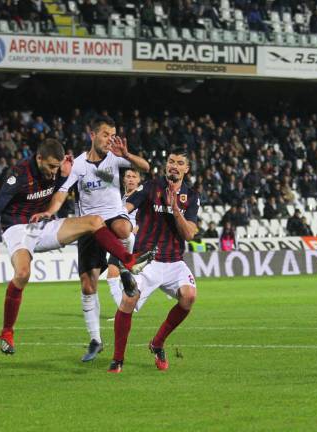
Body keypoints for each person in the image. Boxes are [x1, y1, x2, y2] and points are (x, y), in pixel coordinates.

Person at [0, 138, 154, 356]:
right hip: (17, 228)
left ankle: (128, 260)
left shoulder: (61, 171)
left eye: (57, 167)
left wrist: (65, 175)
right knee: (23, 273)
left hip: (42, 223)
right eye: (50, 167)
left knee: (94, 221)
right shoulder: (19, 175)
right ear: (39, 158)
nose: (53, 171)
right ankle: (7, 332)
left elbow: (61, 192)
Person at [29, 116, 151, 362]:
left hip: (113, 215)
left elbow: (146, 168)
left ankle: (125, 268)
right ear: (92, 135)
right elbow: (63, 192)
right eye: (105, 134)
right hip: (88, 226)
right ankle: (95, 339)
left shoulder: (117, 158)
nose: (110, 139)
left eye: (112, 134)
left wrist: (127, 155)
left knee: (123, 229)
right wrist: (50, 212)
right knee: (88, 285)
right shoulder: (79, 165)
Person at [108, 147, 199, 373]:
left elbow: (189, 233)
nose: (174, 166)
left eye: (179, 163)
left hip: (174, 261)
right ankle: (117, 359)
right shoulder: (150, 188)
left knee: (189, 297)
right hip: (146, 259)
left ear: (186, 169)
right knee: (128, 301)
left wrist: (175, 209)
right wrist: (117, 219)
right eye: (171, 161)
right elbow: (125, 208)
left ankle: (157, 343)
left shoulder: (192, 196)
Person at [106, 169, 142, 309]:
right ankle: (124, 310)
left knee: (125, 274)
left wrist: (135, 229)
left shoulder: (141, 197)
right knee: (113, 275)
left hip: (134, 240)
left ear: (138, 180)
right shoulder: (119, 198)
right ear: (124, 180)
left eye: (134, 176)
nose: (131, 179)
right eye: (128, 176)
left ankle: (127, 308)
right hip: (120, 240)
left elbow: (146, 219)